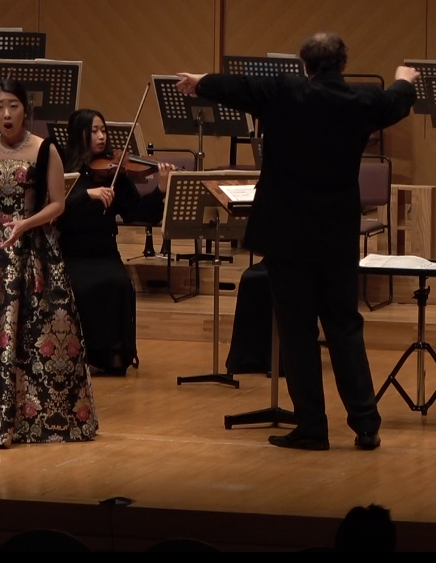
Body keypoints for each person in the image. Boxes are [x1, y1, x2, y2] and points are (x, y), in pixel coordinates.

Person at [176, 32, 418, 451]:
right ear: (343, 63)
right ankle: (365, 425)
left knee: (298, 332)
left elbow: (238, 87)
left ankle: (312, 427)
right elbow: (396, 100)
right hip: (336, 237)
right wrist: (403, 78)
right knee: (345, 328)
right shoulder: (361, 100)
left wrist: (200, 82)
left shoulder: (284, 91)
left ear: (303, 64)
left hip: (287, 236)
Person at [0, 78, 97, 447]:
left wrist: (24, 225)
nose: (6, 114)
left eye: (13, 105)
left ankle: (37, 421)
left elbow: (57, 204)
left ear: (25, 109)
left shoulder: (45, 149)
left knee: (37, 334)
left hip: (34, 252)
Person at [57, 108, 174, 375]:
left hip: (105, 251)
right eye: (93, 131)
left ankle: (114, 356)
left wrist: (160, 190)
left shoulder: (115, 173)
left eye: (103, 130)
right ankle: (79, 355)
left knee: (118, 283)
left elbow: (139, 213)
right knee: (82, 287)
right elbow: (56, 210)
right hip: (72, 253)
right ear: (78, 135)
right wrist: (87, 194)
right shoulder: (65, 171)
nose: (101, 136)